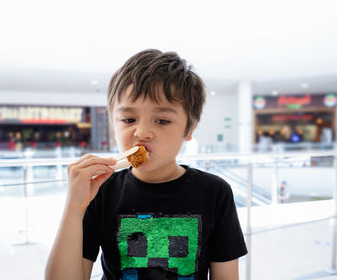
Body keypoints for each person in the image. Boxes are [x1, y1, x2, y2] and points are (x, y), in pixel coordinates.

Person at [45, 49, 247, 280]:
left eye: (162, 120)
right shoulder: (100, 191)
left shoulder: (214, 192)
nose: (141, 133)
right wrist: (74, 207)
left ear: (189, 129)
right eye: (128, 120)